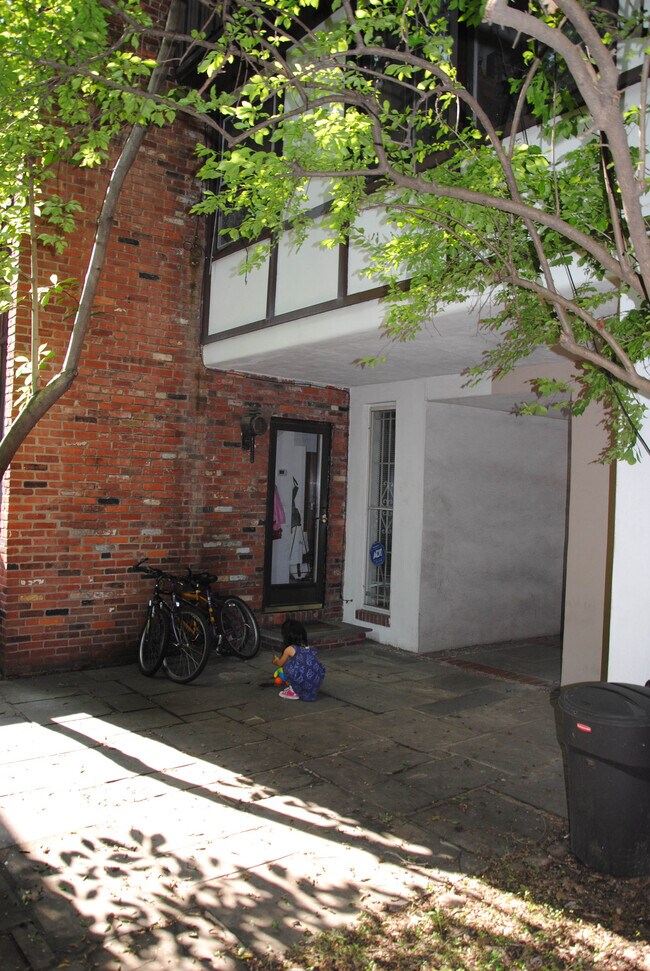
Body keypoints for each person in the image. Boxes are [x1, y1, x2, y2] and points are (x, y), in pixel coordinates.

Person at [272, 619, 325, 701]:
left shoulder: (289, 649)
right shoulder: (307, 646)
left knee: (288, 666)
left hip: (303, 679)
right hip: (315, 680)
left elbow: (280, 663)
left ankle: (293, 691)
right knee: (300, 665)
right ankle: (304, 689)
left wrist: (276, 661)